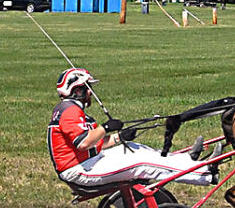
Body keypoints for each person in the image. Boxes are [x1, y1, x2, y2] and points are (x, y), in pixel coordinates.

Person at [48, 67, 212, 190]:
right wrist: (105, 127)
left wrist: (120, 138)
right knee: (142, 163)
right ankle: (205, 174)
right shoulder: (70, 111)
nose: (91, 93)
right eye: (88, 88)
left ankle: (189, 161)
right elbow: (84, 143)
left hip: (87, 162)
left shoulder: (69, 109)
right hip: (79, 171)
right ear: (78, 91)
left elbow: (95, 143)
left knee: (134, 149)